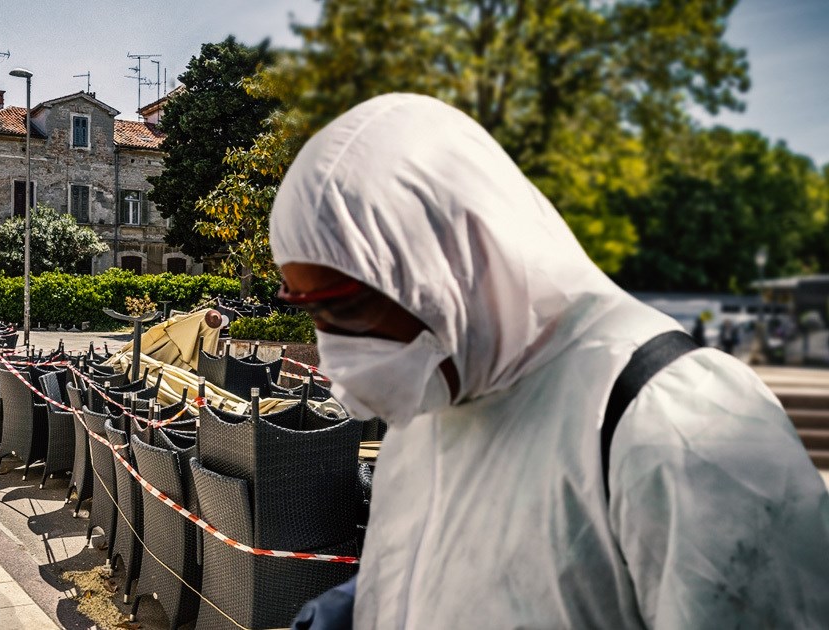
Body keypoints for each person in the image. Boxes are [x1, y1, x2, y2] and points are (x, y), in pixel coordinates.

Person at [271, 94, 829, 629]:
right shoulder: (429, 414)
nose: (336, 354)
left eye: (345, 310)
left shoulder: (682, 424)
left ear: (454, 262)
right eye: (306, 312)